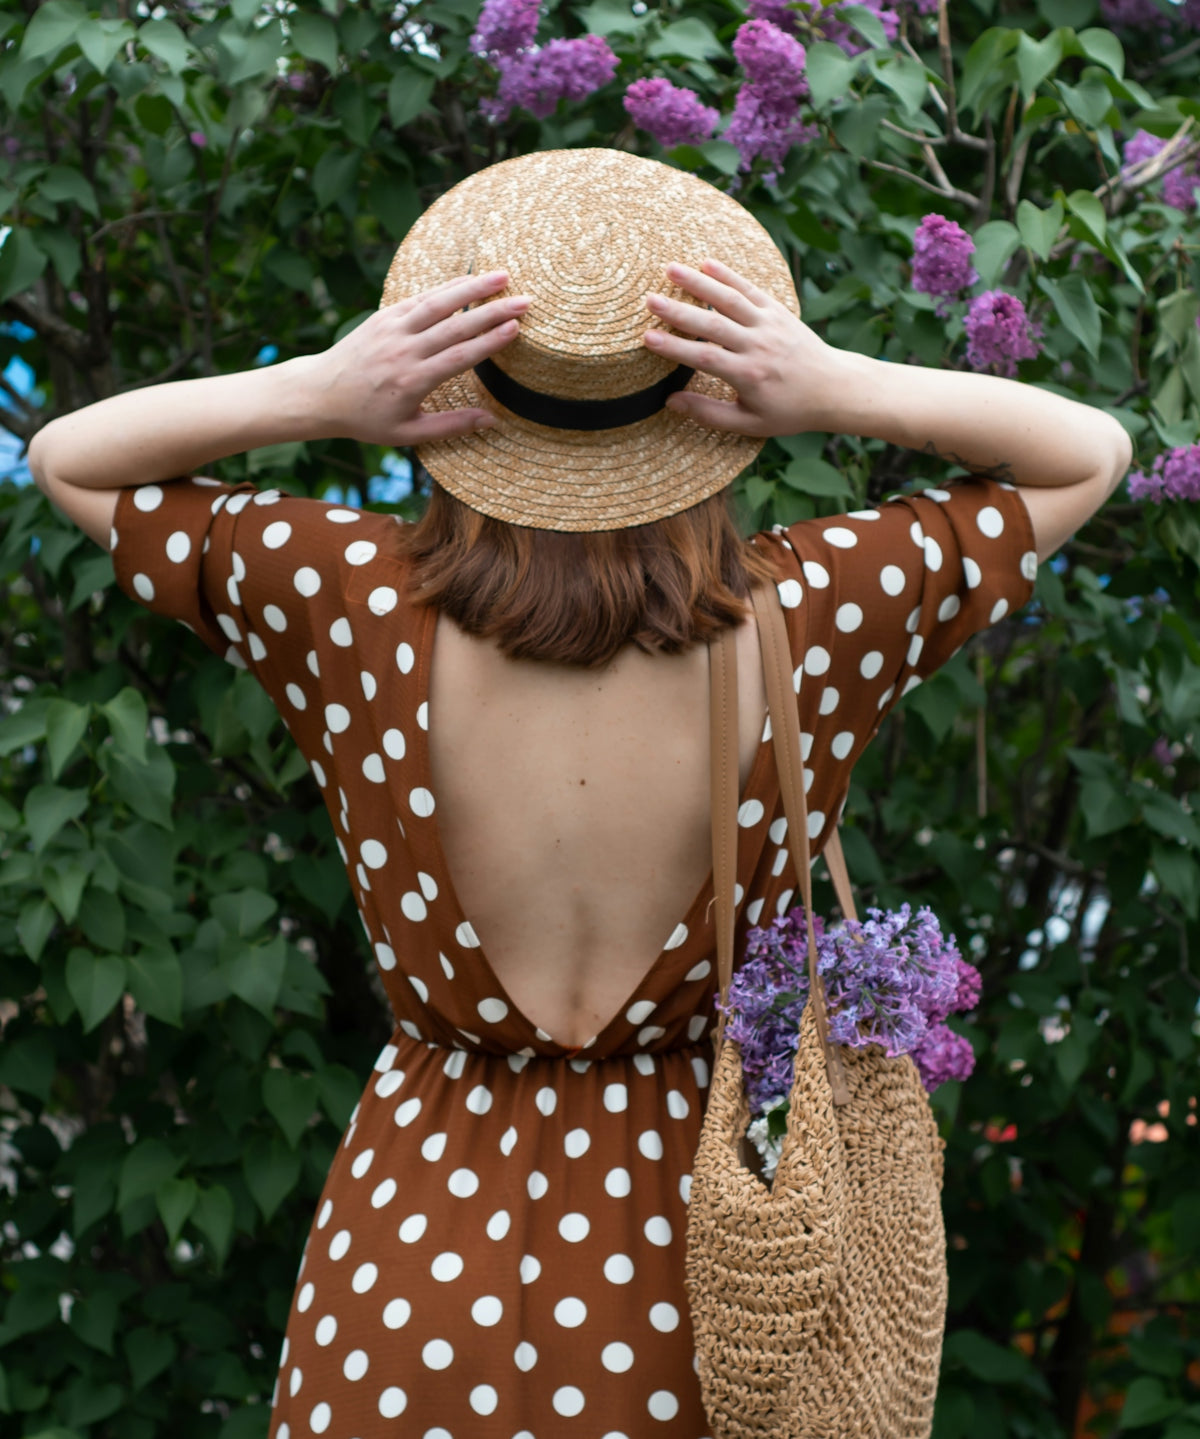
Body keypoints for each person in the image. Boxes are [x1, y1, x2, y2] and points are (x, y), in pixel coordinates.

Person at [30, 148, 1130, 1438]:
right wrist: (830, 386)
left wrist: (323, 392)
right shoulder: (816, 612)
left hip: (413, 1239)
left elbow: (76, 461)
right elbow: (1084, 455)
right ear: (712, 403)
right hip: (712, 1268)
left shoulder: (343, 595)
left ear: (455, 389)